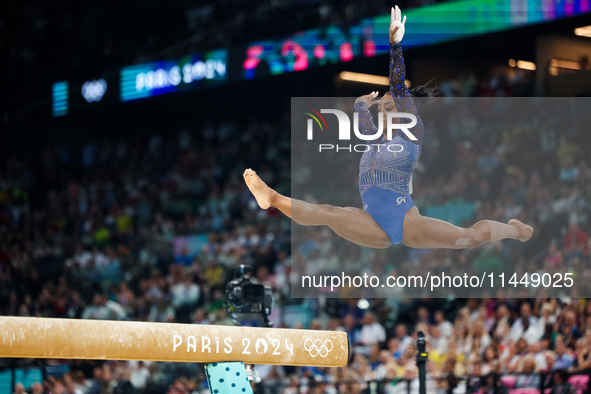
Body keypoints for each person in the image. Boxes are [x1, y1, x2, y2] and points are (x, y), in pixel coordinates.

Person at [243, 5, 533, 250]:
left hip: (404, 219)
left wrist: (395, 46)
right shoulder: (377, 136)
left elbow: (396, 84)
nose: (384, 107)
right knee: (327, 213)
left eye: (390, 104)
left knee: (469, 238)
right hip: (373, 222)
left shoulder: (412, 128)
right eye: (382, 106)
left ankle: (514, 230)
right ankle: (273, 198)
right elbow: (366, 121)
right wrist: (359, 105)